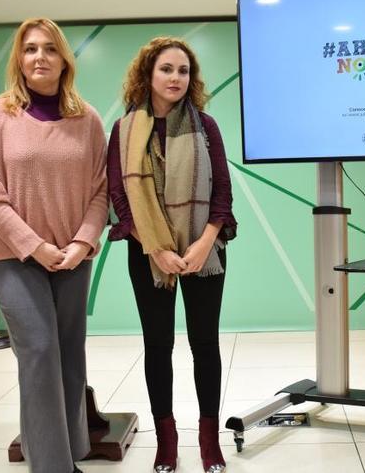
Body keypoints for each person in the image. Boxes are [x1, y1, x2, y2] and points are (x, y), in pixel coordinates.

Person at [0, 17, 108, 473]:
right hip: (12, 255)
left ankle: (71, 450)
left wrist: (83, 243)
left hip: (72, 256)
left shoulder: (86, 119)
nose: (39, 57)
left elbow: (101, 190)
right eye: (29, 49)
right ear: (19, 62)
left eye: (49, 48)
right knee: (40, 350)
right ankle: (53, 466)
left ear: (64, 59)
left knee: (68, 353)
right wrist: (34, 246)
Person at [106, 37, 237, 473]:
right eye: (166, 69)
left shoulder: (207, 127)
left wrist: (203, 244)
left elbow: (222, 193)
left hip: (204, 251)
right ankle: (167, 441)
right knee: (158, 345)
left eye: (183, 70)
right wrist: (156, 247)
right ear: (148, 74)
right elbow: (119, 197)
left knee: (205, 344)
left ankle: (208, 440)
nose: (175, 78)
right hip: (148, 255)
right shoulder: (124, 131)